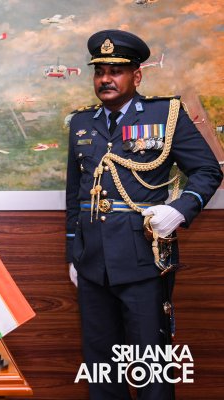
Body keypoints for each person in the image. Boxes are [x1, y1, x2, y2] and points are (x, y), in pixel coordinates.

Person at [65, 29, 222, 399]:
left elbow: (207, 170)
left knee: (151, 365)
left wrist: (178, 211)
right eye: (99, 71)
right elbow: (76, 195)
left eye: (116, 71)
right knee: (101, 366)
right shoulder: (82, 123)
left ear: (136, 76)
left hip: (144, 258)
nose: (105, 79)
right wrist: (73, 253)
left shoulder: (164, 114)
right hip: (93, 263)